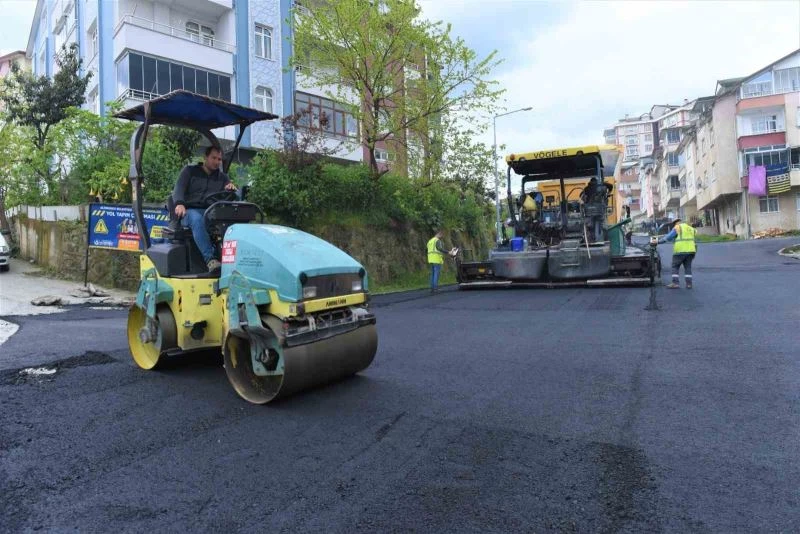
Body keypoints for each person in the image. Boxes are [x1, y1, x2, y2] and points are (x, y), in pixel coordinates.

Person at [172, 146, 237, 271]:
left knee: (231, 223)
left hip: (212, 212)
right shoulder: (190, 171)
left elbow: (229, 199)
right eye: (214, 158)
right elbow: (179, 188)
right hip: (189, 211)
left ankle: (231, 259)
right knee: (197, 219)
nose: (217, 161)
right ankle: (211, 260)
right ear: (205, 157)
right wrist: (179, 203)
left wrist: (230, 191)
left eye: (219, 159)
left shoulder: (223, 178)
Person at [658, 218, 697, 289]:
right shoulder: (691, 229)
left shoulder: (678, 227)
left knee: (675, 266)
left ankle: (675, 283)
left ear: (676, 223)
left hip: (680, 251)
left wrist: (658, 242)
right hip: (691, 251)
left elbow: (668, 237)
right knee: (688, 267)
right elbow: (693, 240)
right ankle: (689, 284)